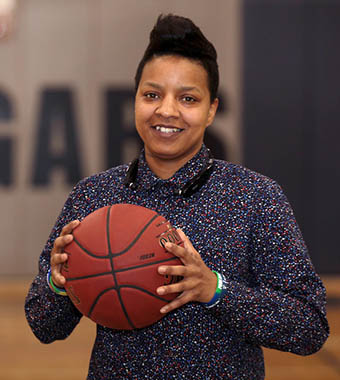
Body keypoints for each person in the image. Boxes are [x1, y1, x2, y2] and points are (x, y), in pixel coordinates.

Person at [25, 14, 329, 380]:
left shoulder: (255, 197)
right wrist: (58, 284)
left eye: (188, 98)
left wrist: (216, 290)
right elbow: (44, 327)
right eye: (152, 95)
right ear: (135, 100)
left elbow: (309, 327)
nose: (166, 110)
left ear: (211, 110)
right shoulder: (94, 196)